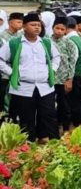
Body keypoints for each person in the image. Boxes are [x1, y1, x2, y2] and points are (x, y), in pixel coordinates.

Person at [0, 12, 61, 141]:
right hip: (23, 87)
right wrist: (12, 73)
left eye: (39, 25)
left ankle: (53, 144)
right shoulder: (14, 43)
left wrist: (52, 70)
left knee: (49, 115)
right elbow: (1, 59)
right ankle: (28, 145)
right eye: (33, 25)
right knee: (25, 117)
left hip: (45, 87)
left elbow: (56, 57)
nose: (37, 27)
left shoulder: (46, 43)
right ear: (24, 27)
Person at [51, 16, 77, 134]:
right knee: (50, 106)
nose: (59, 31)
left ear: (66, 30)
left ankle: (66, 129)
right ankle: (52, 130)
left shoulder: (69, 43)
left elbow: (72, 62)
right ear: (52, 28)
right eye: (57, 28)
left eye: (62, 29)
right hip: (49, 80)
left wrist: (69, 79)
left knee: (64, 106)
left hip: (63, 80)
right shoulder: (46, 41)